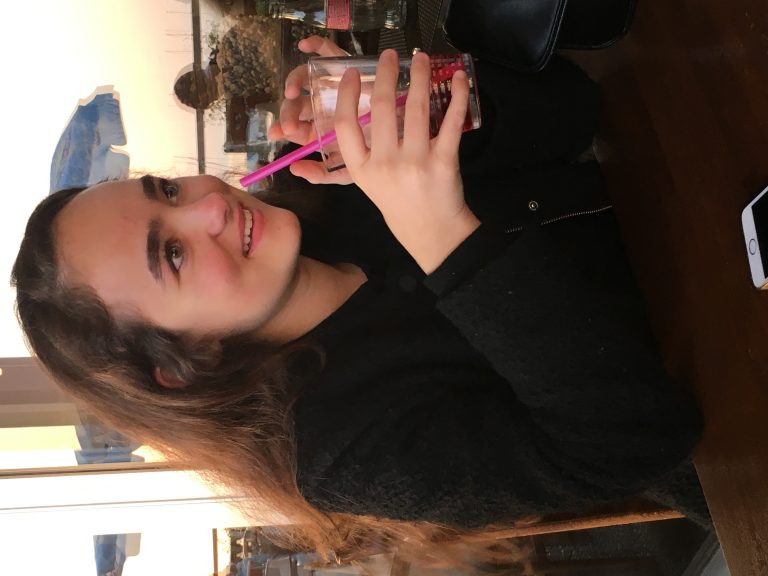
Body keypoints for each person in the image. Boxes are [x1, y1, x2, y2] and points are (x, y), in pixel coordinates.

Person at [12, 36, 706, 570]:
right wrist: (446, 239)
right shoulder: (335, 454)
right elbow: (639, 440)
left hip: (705, 207)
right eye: (173, 254)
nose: (210, 209)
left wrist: (422, 100)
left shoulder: (330, 189)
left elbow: (577, 108)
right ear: (183, 363)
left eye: (166, 191)